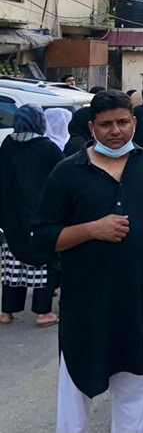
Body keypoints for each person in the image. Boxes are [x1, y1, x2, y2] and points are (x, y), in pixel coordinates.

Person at [31, 90, 143, 433]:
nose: (115, 131)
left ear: (135, 123)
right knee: (76, 387)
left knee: (134, 387)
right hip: (84, 301)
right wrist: (92, 229)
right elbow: (44, 236)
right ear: (92, 127)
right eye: (106, 124)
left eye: (122, 122)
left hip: (134, 300)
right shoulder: (68, 171)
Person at [0, 105, 64, 327]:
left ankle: (6, 312)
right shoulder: (47, 148)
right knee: (45, 264)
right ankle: (42, 312)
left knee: (12, 263)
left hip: (11, 217)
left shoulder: (7, 145)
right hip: (39, 217)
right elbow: (60, 183)